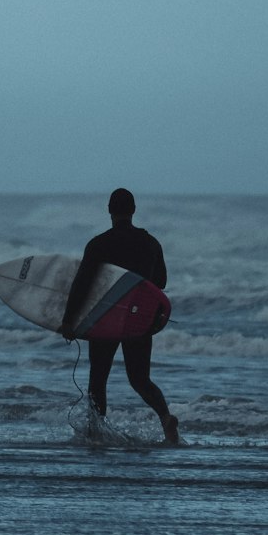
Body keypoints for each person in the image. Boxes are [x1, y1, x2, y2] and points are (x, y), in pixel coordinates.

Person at [59, 188, 180, 444]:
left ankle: (96, 431)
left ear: (109, 211)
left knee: (98, 376)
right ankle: (166, 417)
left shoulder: (99, 244)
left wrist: (69, 320)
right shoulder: (150, 243)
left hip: (106, 317)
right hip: (138, 319)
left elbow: (82, 284)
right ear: (133, 210)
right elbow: (160, 282)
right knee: (140, 378)